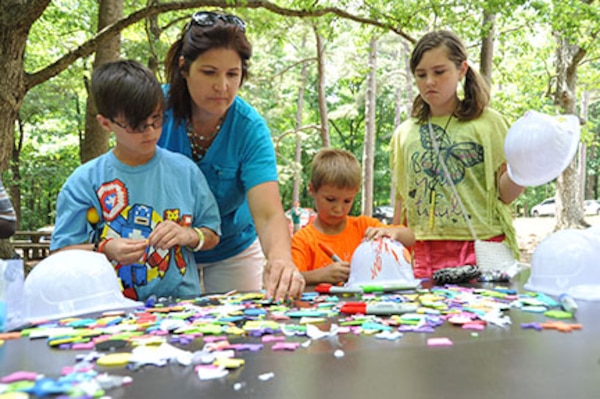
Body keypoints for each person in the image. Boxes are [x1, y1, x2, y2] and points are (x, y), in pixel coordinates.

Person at [159, 11, 305, 299]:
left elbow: (268, 213)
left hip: (233, 249)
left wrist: (280, 260)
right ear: (184, 68)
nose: (222, 86)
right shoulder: (152, 110)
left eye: (232, 74)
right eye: (209, 72)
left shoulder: (250, 129)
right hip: (164, 248)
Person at [50, 60, 221, 301]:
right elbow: (60, 255)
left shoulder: (185, 171)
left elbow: (212, 234)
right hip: (109, 308)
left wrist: (188, 236)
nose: (150, 132)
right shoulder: (85, 182)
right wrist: (105, 249)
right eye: (137, 125)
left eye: (156, 120)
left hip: (180, 309)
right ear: (106, 123)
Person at [390, 30, 524, 279]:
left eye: (439, 72)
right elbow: (402, 200)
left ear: (462, 69)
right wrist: (395, 241)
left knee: (479, 318)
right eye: (421, 74)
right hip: (423, 252)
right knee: (424, 318)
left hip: (481, 247)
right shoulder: (404, 133)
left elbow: (505, 194)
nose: (429, 81)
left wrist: (528, 165)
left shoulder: (490, 123)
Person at [292, 148, 415, 285]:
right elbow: (292, 279)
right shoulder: (303, 240)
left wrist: (392, 232)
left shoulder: (363, 226)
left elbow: (410, 237)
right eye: (330, 199)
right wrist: (319, 276)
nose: (338, 209)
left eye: (347, 201)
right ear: (312, 190)